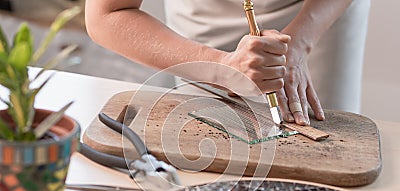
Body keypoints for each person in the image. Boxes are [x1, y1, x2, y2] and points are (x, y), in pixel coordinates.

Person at [85, 0, 370, 126]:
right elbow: (107, 14)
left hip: (316, 15)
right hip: (204, 19)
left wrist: (298, 44)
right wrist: (220, 66)